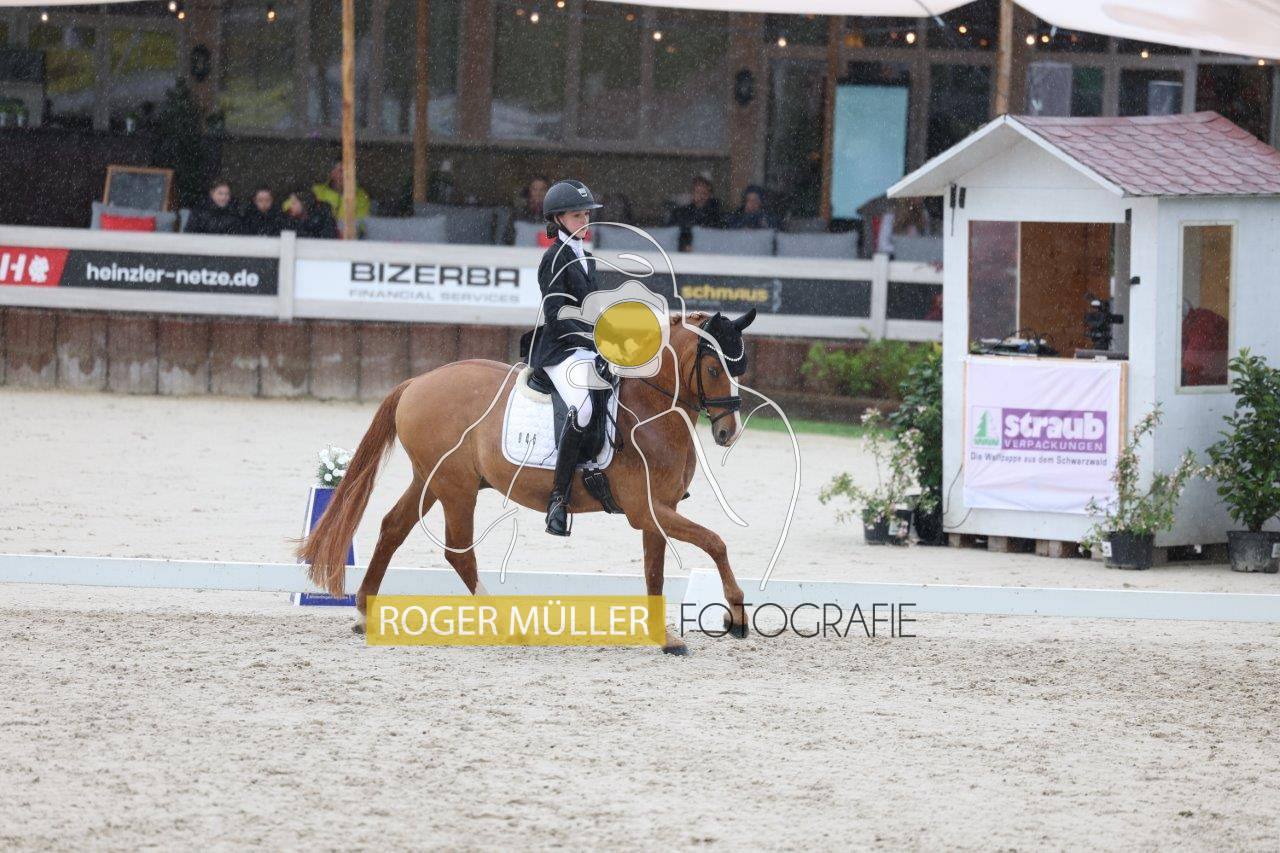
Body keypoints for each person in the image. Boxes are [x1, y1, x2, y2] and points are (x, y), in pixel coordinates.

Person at [527, 179, 605, 537]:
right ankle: (558, 499)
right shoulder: (553, 259)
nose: (584, 221)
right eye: (577, 216)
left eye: (586, 214)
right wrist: (591, 339)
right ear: (558, 219)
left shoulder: (586, 257)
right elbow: (557, 313)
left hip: (587, 346)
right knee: (584, 407)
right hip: (560, 349)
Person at [666, 175, 723, 250]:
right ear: (693, 193)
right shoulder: (682, 213)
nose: (701, 196)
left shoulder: (717, 215)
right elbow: (672, 230)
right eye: (697, 192)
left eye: (704, 193)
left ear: (710, 194)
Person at [312, 160, 371, 225]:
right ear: (332, 173)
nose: (346, 174)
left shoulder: (362, 196)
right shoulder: (317, 191)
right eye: (341, 171)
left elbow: (362, 223)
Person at [504, 175, 551, 244]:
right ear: (529, 190)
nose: (538, 193)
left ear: (548, 191)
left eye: (542, 189)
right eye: (534, 189)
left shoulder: (553, 215)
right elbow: (507, 239)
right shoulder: (518, 213)